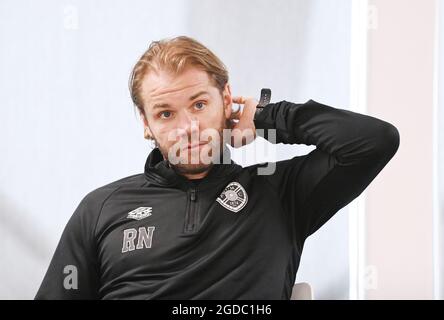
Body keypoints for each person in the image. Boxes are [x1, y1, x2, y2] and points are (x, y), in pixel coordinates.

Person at [35, 35, 400, 299]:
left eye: (198, 105)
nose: (188, 128)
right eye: (165, 113)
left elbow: (373, 141)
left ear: (227, 101)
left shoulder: (280, 193)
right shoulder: (100, 209)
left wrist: (269, 116)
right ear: (146, 123)